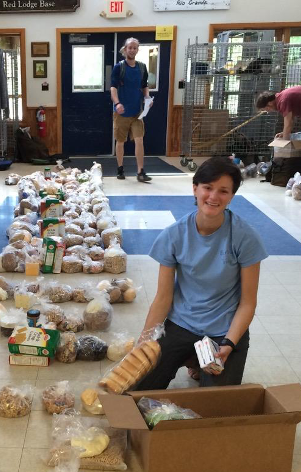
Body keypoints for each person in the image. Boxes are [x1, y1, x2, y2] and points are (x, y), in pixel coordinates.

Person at [137, 157, 268, 389]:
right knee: (138, 388)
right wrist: (144, 343)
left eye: (223, 191)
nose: (213, 197)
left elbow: (248, 303)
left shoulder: (245, 237)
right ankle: (191, 358)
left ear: (232, 196)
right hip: (181, 324)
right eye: (208, 188)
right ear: (195, 188)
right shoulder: (173, 235)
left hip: (224, 330)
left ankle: (198, 361)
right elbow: (163, 298)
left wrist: (229, 343)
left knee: (215, 405)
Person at [110, 37, 152, 182]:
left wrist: (147, 97)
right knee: (121, 141)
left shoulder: (142, 67)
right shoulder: (119, 67)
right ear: (125, 49)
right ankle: (120, 168)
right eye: (130, 47)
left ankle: (140, 172)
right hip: (121, 112)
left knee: (139, 140)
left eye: (135, 48)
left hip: (137, 112)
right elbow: (113, 88)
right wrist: (117, 103)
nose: (132, 50)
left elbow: (144, 85)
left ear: (137, 50)